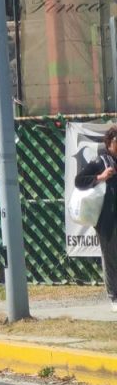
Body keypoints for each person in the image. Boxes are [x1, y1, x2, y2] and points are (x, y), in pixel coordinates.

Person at [75, 125, 117, 312]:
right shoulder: (100, 161)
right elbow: (79, 180)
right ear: (109, 143)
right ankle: (114, 297)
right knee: (111, 258)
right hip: (107, 219)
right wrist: (100, 177)